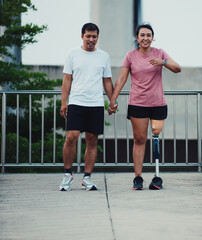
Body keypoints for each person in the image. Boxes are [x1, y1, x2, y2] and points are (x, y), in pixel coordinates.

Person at [108, 24, 181, 190]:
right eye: (142, 35)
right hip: (138, 103)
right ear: (137, 38)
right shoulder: (130, 55)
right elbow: (121, 79)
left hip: (157, 103)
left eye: (149, 35)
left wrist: (163, 63)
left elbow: (177, 68)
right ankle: (138, 177)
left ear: (153, 37)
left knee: (155, 136)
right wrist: (113, 99)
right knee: (139, 140)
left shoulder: (160, 53)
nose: (145, 38)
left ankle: (156, 177)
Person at [59, 23, 114, 191]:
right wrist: (64, 102)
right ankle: (68, 174)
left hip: (96, 103)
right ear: (82, 36)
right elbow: (67, 79)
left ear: (98, 37)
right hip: (76, 102)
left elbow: (107, 81)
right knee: (71, 137)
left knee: (92, 140)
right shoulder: (72, 54)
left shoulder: (103, 56)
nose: (91, 39)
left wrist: (112, 101)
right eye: (88, 36)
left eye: (94, 36)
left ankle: (87, 178)